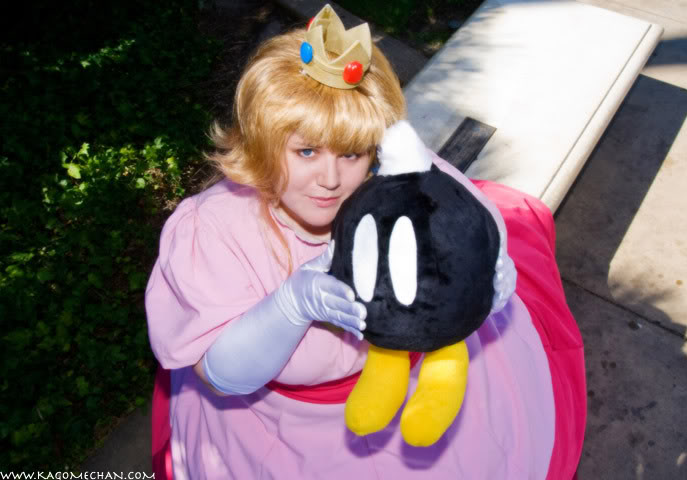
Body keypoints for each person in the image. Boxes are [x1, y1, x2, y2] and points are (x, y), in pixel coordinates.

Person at [145, 5, 586, 479]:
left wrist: (488, 264)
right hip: (280, 432)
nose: (330, 179)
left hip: (414, 388)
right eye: (306, 151)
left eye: (351, 153)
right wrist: (290, 307)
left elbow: (466, 205)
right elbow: (222, 377)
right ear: (263, 142)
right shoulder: (214, 229)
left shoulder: (394, 178)